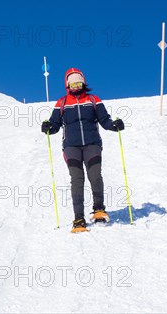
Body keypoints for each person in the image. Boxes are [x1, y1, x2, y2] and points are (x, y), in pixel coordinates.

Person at [41, 68, 125, 233]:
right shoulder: (62, 103)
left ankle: (99, 209)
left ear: (84, 83)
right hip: (71, 146)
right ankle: (79, 218)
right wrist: (49, 127)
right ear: (67, 85)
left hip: (92, 144)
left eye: (79, 83)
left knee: (95, 175)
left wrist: (114, 126)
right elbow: (55, 124)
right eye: (73, 84)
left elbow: (104, 120)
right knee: (77, 179)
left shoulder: (93, 100)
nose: (76, 87)